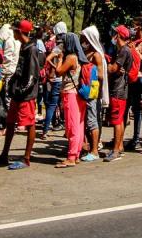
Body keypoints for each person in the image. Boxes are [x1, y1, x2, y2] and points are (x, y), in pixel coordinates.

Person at [0, 20, 40, 170]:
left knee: (29, 123)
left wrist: (21, 90)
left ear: (19, 31)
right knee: (10, 122)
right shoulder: (24, 46)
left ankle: (26, 158)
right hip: (18, 92)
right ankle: (4, 154)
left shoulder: (31, 49)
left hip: (26, 94)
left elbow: (32, 75)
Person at [55, 32, 89, 168]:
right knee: (79, 124)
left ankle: (71, 157)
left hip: (70, 94)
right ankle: (77, 153)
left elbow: (58, 71)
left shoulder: (70, 58)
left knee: (72, 125)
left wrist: (59, 59)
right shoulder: (80, 57)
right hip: (80, 94)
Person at [104, 25, 133, 162]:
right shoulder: (122, 50)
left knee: (116, 120)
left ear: (118, 35)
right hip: (121, 89)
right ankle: (119, 146)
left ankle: (115, 150)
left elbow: (114, 69)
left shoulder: (123, 51)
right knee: (119, 120)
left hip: (118, 89)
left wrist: (106, 64)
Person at [80, 26, 108, 162]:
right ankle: (91, 147)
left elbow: (101, 76)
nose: (83, 40)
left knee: (92, 121)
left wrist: (93, 92)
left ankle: (95, 150)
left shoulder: (96, 55)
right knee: (89, 121)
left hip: (92, 92)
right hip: (88, 92)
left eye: (85, 37)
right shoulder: (89, 53)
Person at [125, 19, 142, 151]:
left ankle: (136, 139)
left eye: (134, 25)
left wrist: (135, 51)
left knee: (136, 110)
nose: (132, 27)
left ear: (140, 27)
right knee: (125, 108)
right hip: (129, 77)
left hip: (139, 78)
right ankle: (119, 138)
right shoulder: (133, 41)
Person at [40, 22, 67, 139]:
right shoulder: (69, 44)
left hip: (57, 78)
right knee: (65, 105)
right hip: (66, 79)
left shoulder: (58, 46)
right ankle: (67, 131)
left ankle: (45, 130)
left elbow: (47, 58)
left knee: (52, 105)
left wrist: (55, 67)